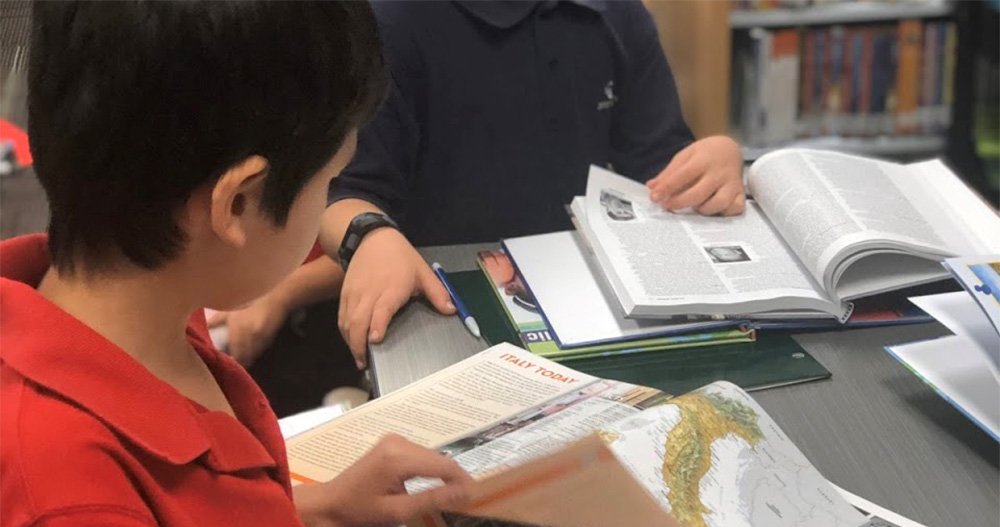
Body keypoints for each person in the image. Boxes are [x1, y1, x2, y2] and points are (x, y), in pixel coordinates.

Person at [0, 2, 472, 527]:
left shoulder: (149, 319)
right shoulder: (72, 503)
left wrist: (313, 510)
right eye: (328, 183)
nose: (326, 204)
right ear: (240, 203)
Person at [306, 0, 747, 368]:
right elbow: (341, 196)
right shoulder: (392, 21)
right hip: (451, 317)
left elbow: (659, 166)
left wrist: (714, 166)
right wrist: (369, 235)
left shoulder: (617, 12)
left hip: (602, 307)